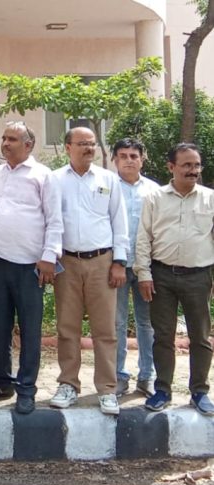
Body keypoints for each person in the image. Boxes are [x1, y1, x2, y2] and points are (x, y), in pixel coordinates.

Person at [50, 127, 128, 416]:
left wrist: (119, 261)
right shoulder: (55, 180)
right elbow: (49, 220)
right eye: (82, 143)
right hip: (66, 262)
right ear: (67, 147)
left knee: (105, 329)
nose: (89, 148)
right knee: (67, 327)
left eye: (92, 144)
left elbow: (119, 221)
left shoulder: (108, 179)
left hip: (102, 262)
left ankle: (107, 389)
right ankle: (68, 384)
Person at [0, 122, 62, 415]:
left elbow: (54, 219)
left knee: (30, 330)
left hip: (31, 266)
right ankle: (2, 381)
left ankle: (26, 388)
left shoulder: (43, 175)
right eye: (4, 138)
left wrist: (49, 256)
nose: (5, 143)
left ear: (28, 145)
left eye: (12, 139)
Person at [136, 143, 214, 416]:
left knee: (200, 337)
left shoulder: (210, 198)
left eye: (197, 165)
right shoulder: (154, 198)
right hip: (161, 277)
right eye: (187, 165)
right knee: (163, 336)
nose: (193, 170)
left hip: (198, 277)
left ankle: (199, 391)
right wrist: (144, 274)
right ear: (171, 167)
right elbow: (143, 238)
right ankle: (163, 390)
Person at [111, 138, 159, 397]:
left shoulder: (154, 190)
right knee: (117, 323)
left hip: (146, 267)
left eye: (134, 156)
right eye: (123, 156)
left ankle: (147, 376)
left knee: (146, 323)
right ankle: (118, 376)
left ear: (143, 159)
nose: (129, 160)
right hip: (115, 266)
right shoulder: (107, 187)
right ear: (114, 160)